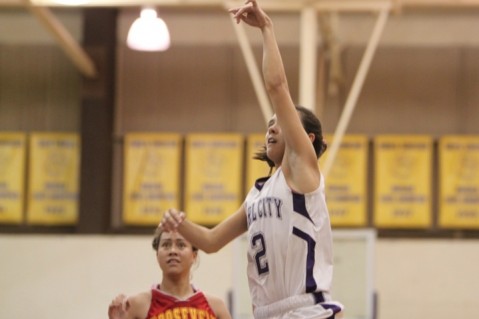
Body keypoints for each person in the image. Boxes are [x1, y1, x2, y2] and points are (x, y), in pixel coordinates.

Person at [160, 0, 344, 318]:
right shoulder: (258, 194)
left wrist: (267, 29)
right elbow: (213, 240)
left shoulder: (302, 170)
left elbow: (276, 85)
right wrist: (180, 225)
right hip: (266, 313)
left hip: (306, 310)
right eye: (268, 124)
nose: (271, 128)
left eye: (279, 123)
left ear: (306, 137)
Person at [108, 229, 232, 319]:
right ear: (157, 255)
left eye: (181, 245)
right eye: (166, 245)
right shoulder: (136, 305)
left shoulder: (216, 307)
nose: (173, 251)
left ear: (193, 256)